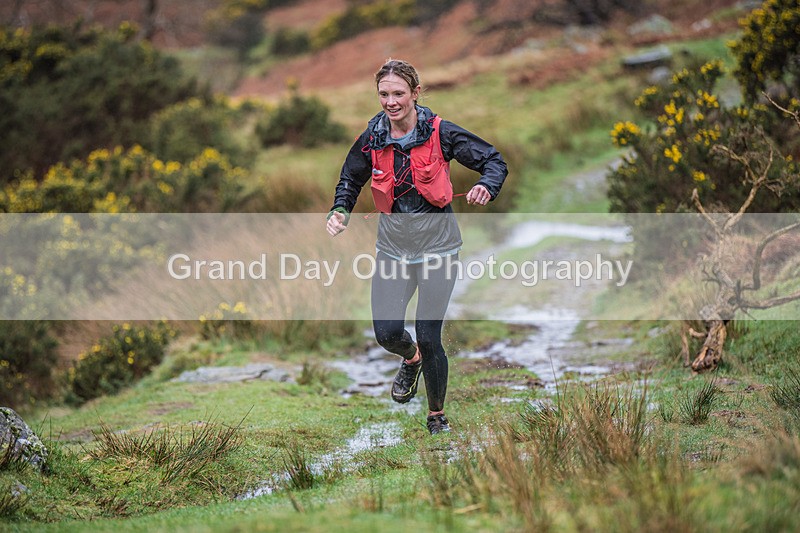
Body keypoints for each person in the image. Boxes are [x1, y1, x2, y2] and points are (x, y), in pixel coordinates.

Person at [326, 59, 507, 435]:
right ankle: (411, 360)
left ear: (415, 93)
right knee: (388, 333)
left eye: (398, 94)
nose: (391, 102)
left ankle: (436, 415)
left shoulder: (441, 132)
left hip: (439, 249)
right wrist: (340, 210)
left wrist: (486, 186)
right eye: (384, 94)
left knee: (429, 333)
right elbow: (349, 179)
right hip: (393, 250)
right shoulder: (372, 137)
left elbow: (492, 160)